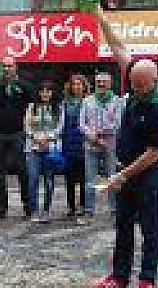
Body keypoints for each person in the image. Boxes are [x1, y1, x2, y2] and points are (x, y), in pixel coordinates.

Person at [91, 59, 158, 288]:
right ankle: (119, 277)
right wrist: (102, 22)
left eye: (140, 86)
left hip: (148, 175)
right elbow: (120, 51)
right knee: (123, 226)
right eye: (133, 85)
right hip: (124, 169)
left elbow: (153, 154)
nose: (134, 90)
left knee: (150, 229)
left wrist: (122, 175)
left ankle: (147, 280)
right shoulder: (136, 84)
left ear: (154, 82)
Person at [0, 56, 33, 220]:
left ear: (15, 68)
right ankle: (1, 207)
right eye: (4, 66)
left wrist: (30, 130)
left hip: (18, 134)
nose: (7, 69)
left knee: (22, 170)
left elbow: (32, 109)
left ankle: (28, 206)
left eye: (10, 66)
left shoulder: (25, 86)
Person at [80, 71, 125, 224]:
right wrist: (91, 134)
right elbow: (81, 123)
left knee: (112, 177)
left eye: (104, 82)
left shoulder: (117, 101)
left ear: (110, 83)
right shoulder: (87, 101)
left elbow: (118, 123)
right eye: (99, 81)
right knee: (89, 179)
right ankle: (89, 211)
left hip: (110, 145)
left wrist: (100, 133)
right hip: (90, 145)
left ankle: (115, 211)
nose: (101, 84)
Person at [25, 81, 63, 223]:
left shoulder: (58, 108)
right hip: (33, 148)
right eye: (42, 91)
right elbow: (27, 126)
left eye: (48, 91)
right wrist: (36, 138)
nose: (45, 94)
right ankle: (34, 210)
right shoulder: (31, 107)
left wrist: (48, 138)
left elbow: (60, 127)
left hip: (50, 148)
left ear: (52, 93)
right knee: (33, 179)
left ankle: (46, 210)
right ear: (39, 93)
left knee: (49, 180)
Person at [63, 74, 89, 219]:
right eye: (74, 84)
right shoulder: (66, 103)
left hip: (84, 142)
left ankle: (84, 205)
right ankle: (71, 206)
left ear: (84, 86)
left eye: (79, 84)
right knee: (70, 178)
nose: (77, 87)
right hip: (69, 142)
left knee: (85, 177)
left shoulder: (89, 101)